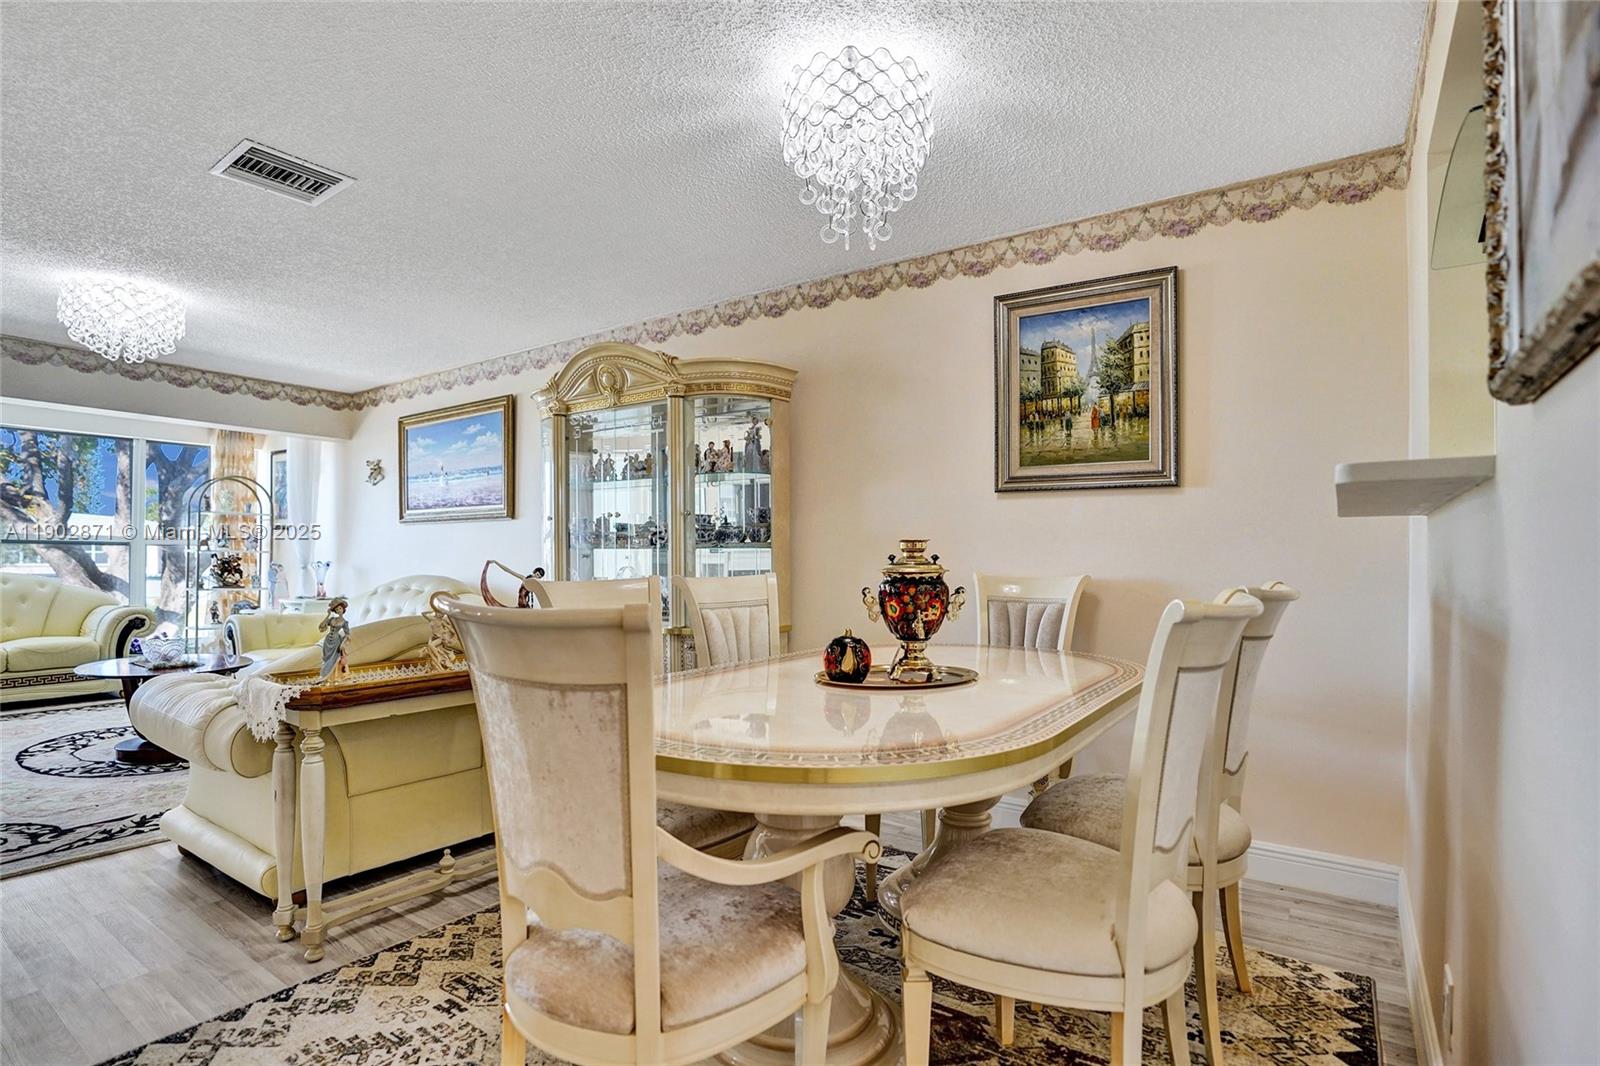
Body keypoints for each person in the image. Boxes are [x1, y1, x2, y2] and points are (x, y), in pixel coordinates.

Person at [316, 596, 351, 681]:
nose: (339, 610)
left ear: (343, 609)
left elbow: (348, 635)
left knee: (334, 659)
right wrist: (327, 615)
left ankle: (334, 677)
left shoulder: (344, 622)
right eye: (337, 609)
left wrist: (343, 644)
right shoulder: (332, 619)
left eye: (340, 608)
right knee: (326, 658)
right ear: (335, 611)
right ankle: (324, 676)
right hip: (327, 641)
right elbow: (321, 627)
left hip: (336, 642)